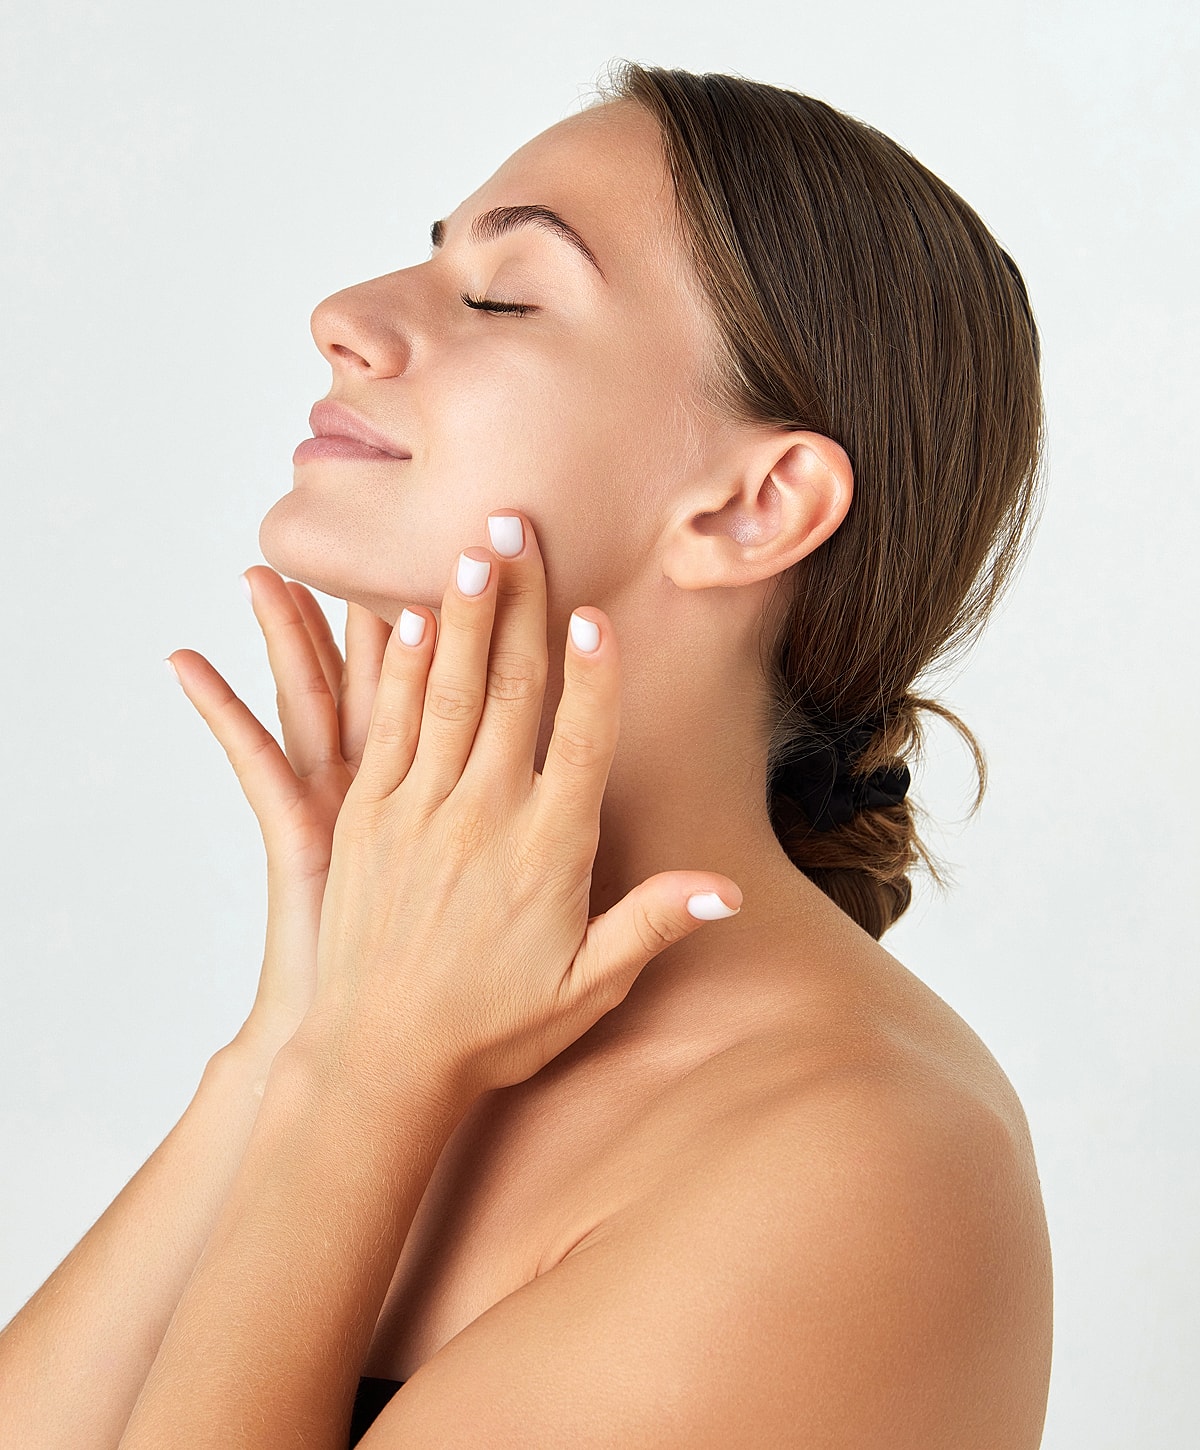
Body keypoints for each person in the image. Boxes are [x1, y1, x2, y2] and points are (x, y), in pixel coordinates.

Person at [0, 62, 1053, 1449]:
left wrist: (356, 1081)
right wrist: (296, 1032)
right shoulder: (383, 1013)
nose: (344, 319)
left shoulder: (872, 1160)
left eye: (502, 295)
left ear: (755, 504)